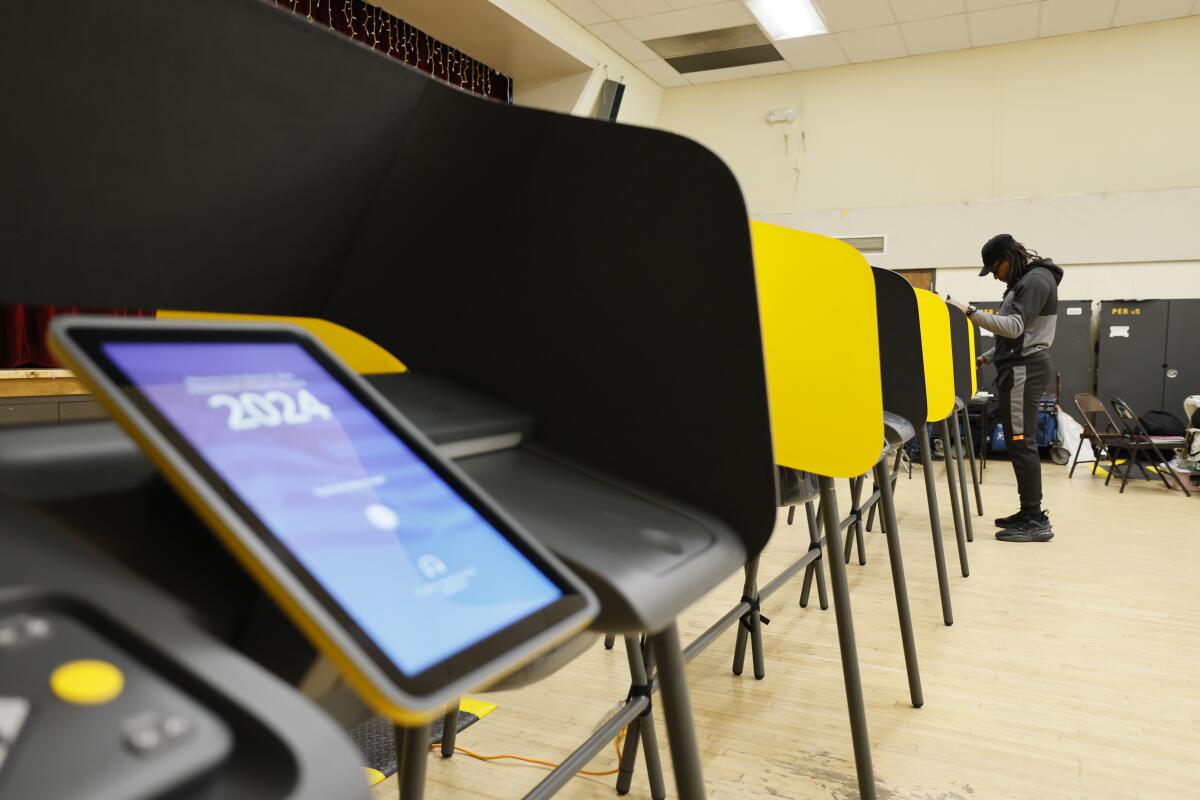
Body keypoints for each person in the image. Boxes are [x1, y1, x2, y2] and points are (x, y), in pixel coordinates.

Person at [949, 234, 1062, 543]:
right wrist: (987, 357)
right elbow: (1019, 332)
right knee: (1017, 442)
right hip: (1017, 365)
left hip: (1024, 369)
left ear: (1008, 258)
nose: (995, 276)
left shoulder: (1035, 281)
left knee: (1020, 441)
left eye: (995, 269)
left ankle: (1035, 519)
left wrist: (968, 312)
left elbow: (1014, 327)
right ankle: (1028, 512)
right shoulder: (1027, 280)